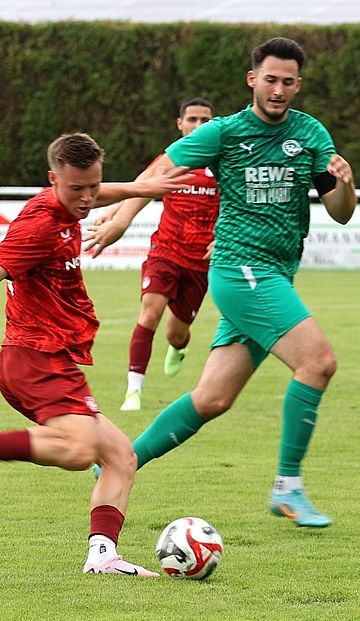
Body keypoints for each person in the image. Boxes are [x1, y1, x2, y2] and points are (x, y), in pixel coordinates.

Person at [0, 133, 189, 576]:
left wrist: (142, 189)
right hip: (32, 357)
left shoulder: (74, 198)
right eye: (76, 188)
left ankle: (103, 556)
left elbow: (102, 194)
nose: (86, 199)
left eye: (92, 187)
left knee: (120, 455)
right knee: (80, 451)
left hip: (54, 357)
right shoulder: (39, 225)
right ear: (53, 179)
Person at [85, 37, 356, 528]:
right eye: (270, 79)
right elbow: (160, 170)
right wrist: (124, 217)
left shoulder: (311, 133)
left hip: (275, 272)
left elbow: (339, 213)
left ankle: (121, 458)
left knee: (212, 399)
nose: (278, 89)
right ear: (252, 79)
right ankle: (287, 487)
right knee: (318, 363)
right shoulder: (226, 133)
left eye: (288, 81)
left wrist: (347, 184)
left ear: (299, 84)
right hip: (239, 269)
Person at [90, 97, 220, 412]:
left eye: (206, 121)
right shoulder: (173, 160)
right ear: (180, 124)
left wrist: (225, 236)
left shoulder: (222, 162)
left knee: (176, 333)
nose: (198, 126)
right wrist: (115, 213)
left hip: (200, 261)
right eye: (192, 120)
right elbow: (142, 185)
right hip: (166, 250)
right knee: (149, 313)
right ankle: (133, 391)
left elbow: (240, 206)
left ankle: (179, 346)